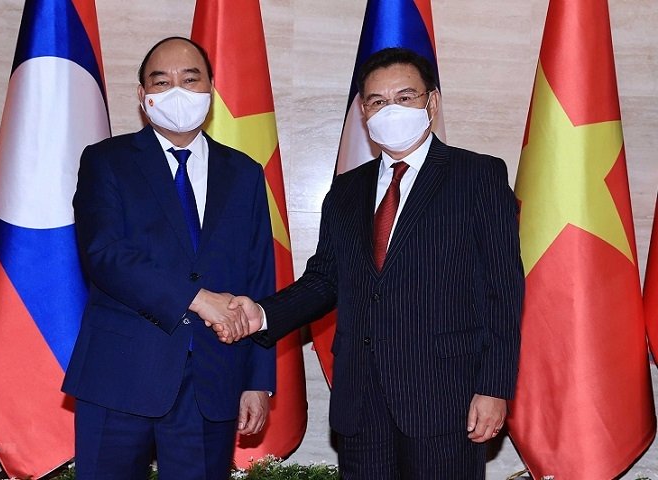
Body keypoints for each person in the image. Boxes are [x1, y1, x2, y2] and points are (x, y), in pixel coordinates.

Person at [219, 47, 524, 479]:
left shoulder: (477, 176)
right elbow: (325, 280)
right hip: (361, 403)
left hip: (445, 399)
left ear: (431, 102)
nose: (390, 110)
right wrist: (263, 313)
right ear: (363, 111)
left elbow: (503, 292)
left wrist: (493, 388)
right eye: (378, 102)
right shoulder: (344, 191)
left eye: (405, 97)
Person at [61, 36, 276, 480]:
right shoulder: (106, 161)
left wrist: (257, 379)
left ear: (211, 90)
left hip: (213, 380)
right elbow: (104, 255)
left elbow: (259, 277)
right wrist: (197, 298)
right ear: (143, 97)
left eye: (189, 79)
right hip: (120, 374)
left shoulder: (245, 174)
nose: (176, 91)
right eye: (162, 82)